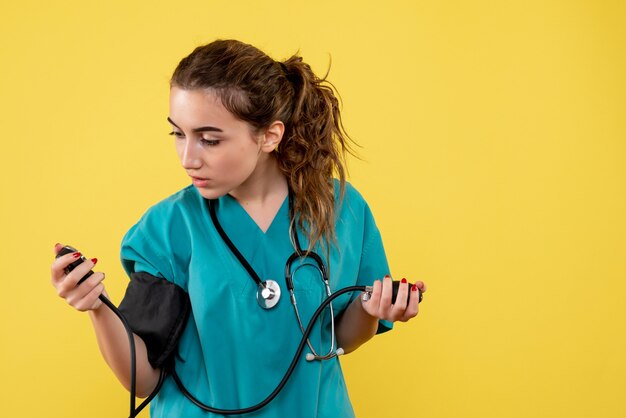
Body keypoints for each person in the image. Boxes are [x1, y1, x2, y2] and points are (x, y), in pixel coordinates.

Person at [51, 39, 427, 418]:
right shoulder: (168, 229)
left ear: (269, 136)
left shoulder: (341, 209)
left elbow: (337, 339)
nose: (187, 158)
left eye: (209, 140)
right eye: (178, 134)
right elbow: (144, 380)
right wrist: (96, 307)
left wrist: (371, 309)